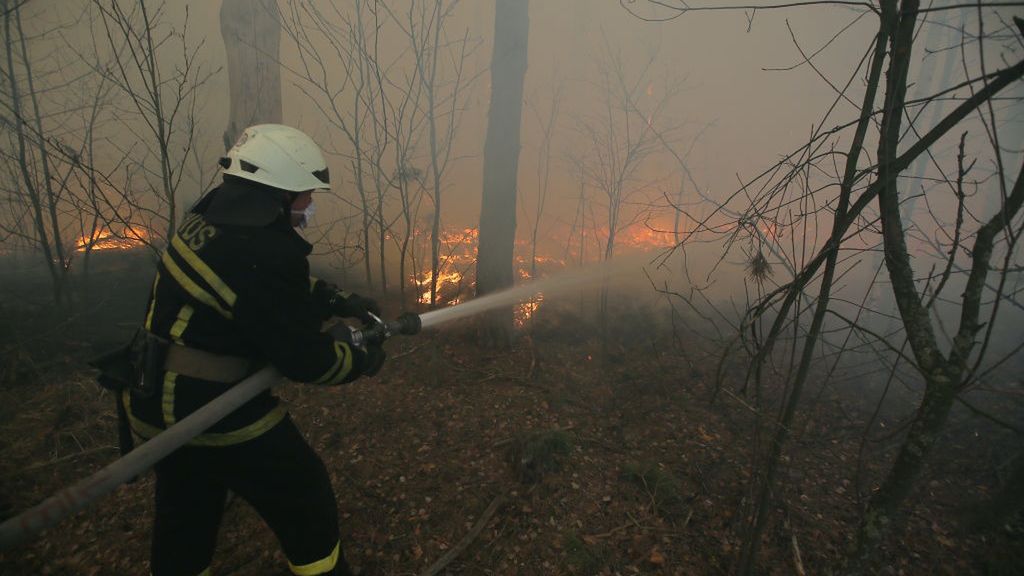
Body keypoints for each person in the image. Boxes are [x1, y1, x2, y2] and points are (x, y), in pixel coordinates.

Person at [126, 124, 383, 576]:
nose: (310, 205)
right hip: (206, 407)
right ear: (279, 194)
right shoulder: (262, 250)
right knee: (302, 489)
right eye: (304, 195)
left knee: (187, 505)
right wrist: (360, 358)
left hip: (155, 395)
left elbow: (250, 287)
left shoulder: (216, 214)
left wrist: (332, 298)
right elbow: (308, 359)